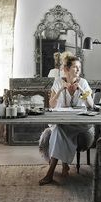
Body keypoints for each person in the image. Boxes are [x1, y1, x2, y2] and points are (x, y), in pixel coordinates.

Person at [39, 55, 94, 186]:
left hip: (79, 124)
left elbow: (91, 104)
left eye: (79, 67)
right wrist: (60, 90)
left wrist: (81, 89)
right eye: (75, 67)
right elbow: (52, 105)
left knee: (59, 129)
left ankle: (51, 172)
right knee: (59, 128)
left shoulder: (83, 83)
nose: (78, 70)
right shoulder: (58, 82)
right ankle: (62, 166)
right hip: (62, 121)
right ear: (66, 69)